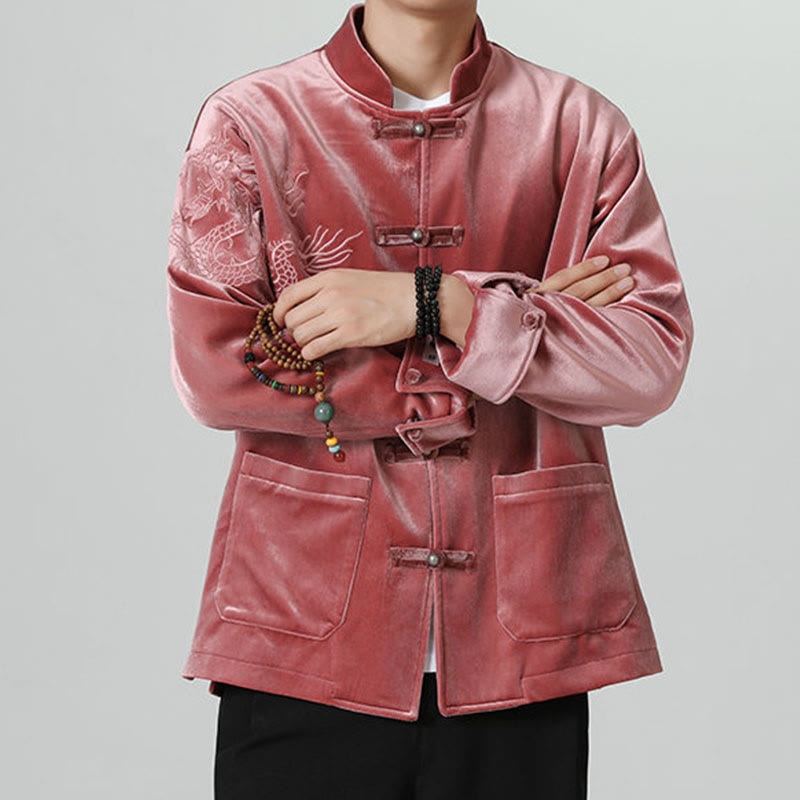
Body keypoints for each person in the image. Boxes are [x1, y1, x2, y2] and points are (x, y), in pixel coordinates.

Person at [165, 1, 693, 797]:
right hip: (301, 631)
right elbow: (219, 369)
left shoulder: (580, 129)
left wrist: (440, 301)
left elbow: (649, 363)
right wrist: (523, 320)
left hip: (525, 639)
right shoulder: (252, 124)